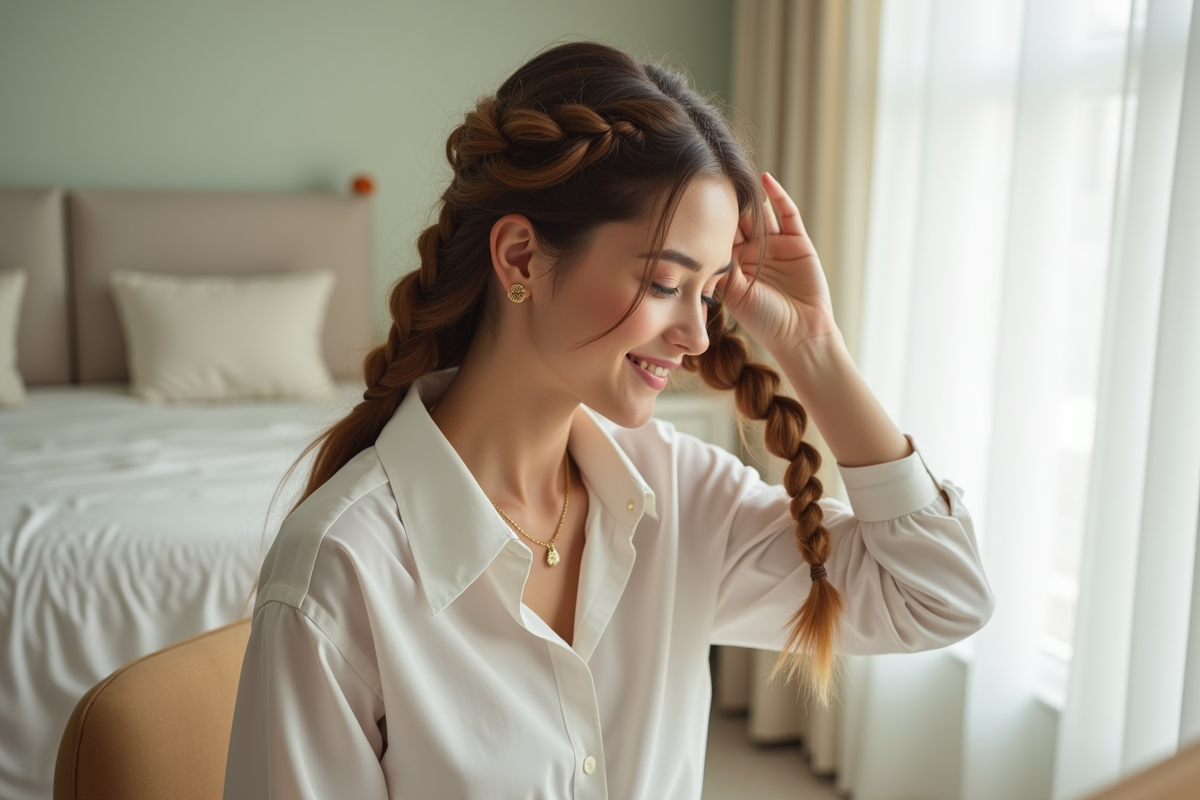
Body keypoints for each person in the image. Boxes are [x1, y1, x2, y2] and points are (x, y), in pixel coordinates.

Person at [223, 40, 994, 800]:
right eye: (665, 281)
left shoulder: (677, 495)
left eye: (713, 290)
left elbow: (936, 596)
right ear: (521, 257)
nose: (698, 335)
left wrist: (814, 347)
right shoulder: (340, 571)